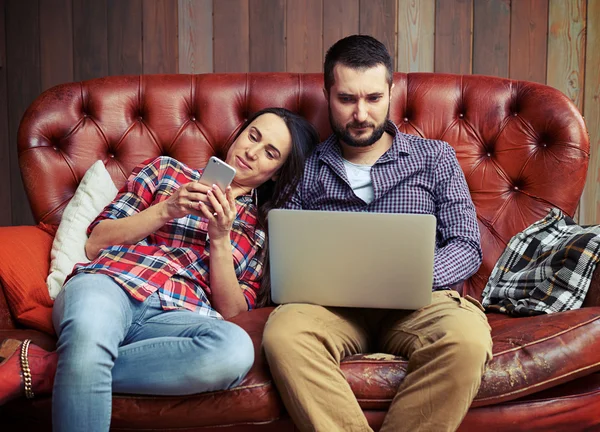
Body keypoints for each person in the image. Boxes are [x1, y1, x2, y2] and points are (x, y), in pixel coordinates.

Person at [0, 107, 319, 432]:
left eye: (270, 153)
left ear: (278, 171)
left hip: (179, 317)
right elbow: (96, 242)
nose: (252, 153)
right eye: (253, 136)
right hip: (109, 286)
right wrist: (167, 208)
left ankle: (50, 366)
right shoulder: (165, 171)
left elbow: (235, 312)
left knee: (234, 351)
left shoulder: (261, 230)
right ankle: (80, 357)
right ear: (240, 133)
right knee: (90, 332)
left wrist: (220, 239)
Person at [262, 35, 493, 432]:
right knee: (283, 335)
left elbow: (466, 245)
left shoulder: (435, 157)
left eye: (373, 98)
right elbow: (284, 246)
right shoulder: (307, 166)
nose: (360, 113)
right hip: (329, 308)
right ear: (327, 94)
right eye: (347, 99)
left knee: (468, 341)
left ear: (391, 91)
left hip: (420, 303)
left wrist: (409, 277)